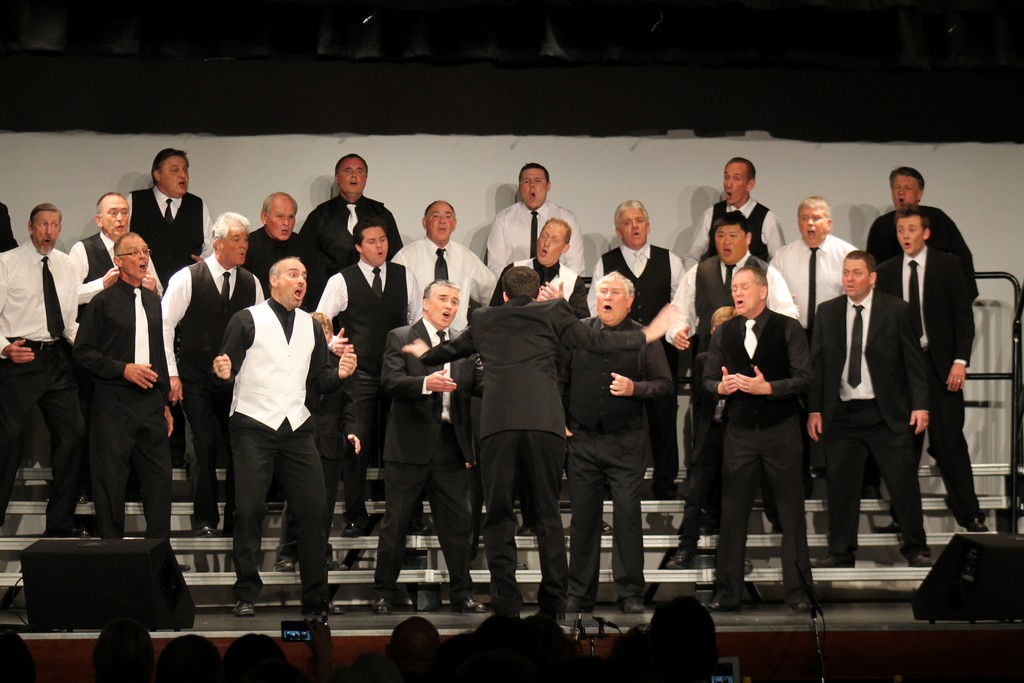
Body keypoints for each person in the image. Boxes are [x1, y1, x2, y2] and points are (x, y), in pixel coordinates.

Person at [405, 265, 675, 618]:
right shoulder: (554, 311)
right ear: (536, 294)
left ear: (504, 294)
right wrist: (647, 334)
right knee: (547, 513)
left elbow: (452, 349)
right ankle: (554, 604)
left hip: (499, 427)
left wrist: (424, 353)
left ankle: (506, 604)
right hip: (544, 426)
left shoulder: (484, 317)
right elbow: (596, 340)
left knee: (500, 514)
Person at [214, 257, 357, 617]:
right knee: (249, 509)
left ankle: (316, 596)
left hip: (296, 425)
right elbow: (227, 368)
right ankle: (246, 593)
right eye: (294, 274)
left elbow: (319, 381)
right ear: (274, 281)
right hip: (253, 423)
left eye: (305, 275)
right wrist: (224, 372)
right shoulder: (246, 319)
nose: (301, 281)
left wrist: (339, 375)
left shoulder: (311, 325)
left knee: (314, 509)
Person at [807, 251, 932, 568]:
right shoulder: (828, 312)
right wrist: (815, 409)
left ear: (872, 277)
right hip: (842, 413)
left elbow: (914, 362)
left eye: (857, 273)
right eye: (846, 273)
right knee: (841, 487)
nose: (849, 279)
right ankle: (841, 552)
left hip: (885, 414)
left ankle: (916, 548)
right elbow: (818, 365)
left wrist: (920, 405)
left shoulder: (897, 310)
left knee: (902, 484)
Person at [372, 280, 487, 615]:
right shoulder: (401, 336)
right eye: (442, 299)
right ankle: (383, 593)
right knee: (396, 523)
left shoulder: (464, 344)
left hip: (450, 446)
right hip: (409, 445)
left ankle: (462, 594)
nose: (449, 306)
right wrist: (425, 383)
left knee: (458, 525)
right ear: (425, 303)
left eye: (454, 301)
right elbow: (390, 380)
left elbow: (480, 385)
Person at [703, 266, 812, 612]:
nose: (737, 293)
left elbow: (804, 378)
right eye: (734, 287)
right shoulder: (724, 332)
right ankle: (727, 593)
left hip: (781, 430)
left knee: (791, 512)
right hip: (739, 432)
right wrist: (721, 387)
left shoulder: (787, 327)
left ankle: (798, 593)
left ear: (763, 291)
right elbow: (708, 379)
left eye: (744, 287)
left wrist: (769, 388)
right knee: (732, 512)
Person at [564, 272, 673, 614]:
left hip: (625, 442)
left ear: (629, 300)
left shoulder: (643, 337)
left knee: (627, 518)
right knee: (583, 520)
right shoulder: (580, 332)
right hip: (583, 441)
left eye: (614, 293)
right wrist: (560, 418)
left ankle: (630, 594)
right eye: (602, 292)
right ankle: (579, 594)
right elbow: (560, 376)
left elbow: (664, 384)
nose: (606, 297)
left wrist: (634, 389)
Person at [875, 206, 987, 532]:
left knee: (950, 441)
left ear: (925, 233)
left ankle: (970, 514)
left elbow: (963, 319)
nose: (905, 236)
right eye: (901, 230)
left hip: (940, 367)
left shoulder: (948, 266)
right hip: (903, 371)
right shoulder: (886, 271)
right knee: (903, 448)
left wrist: (960, 361)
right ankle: (902, 517)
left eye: (912, 229)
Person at [162, 212, 264, 537]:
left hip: (236, 381)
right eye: (237, 239)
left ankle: (236, 521)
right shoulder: (188, 277)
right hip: (195, 377)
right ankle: (206, 519)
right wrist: (172, 374)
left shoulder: (251, 282)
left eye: (246, 239)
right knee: (203, 445)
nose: (244, 245)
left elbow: (260, 332)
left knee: (239, 447)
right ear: (218, 244)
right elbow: (164, 325)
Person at [317, 218, 421, 537]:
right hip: (359, 373)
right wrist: (332, 345)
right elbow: (321, 321)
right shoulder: (341, 280)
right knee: (356, 444)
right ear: (358, 246)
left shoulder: (405, 275)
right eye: (372, 241)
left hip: (396, 371)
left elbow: (417, 320)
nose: (380, 246)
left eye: (383, 240)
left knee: (404, 443)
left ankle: (407, 514)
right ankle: (354, 514)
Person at [74, 232, 173, 539]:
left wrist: (164, 402)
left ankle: (159, 552)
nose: (143, 257)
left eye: (146, 251)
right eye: (135, 253)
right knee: (110, 482)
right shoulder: (102, 302)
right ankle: (111, 554)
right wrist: (123, 369)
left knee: (159, 479)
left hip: (150, 402)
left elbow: (159, 352)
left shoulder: (153, 301)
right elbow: (82, 352)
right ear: (118, 261)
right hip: (113, 401)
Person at [589, 199, 684, 499]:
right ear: (619, 231)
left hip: (661, 351)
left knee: (663, 417)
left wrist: (676, 332)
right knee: (615, 417)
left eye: (639, 220)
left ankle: (665, 484)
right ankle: (610, 483)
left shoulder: (670, 260)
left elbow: (679, 307)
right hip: (617, 353)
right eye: (627, 222)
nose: (635, 226)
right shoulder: (605, 262)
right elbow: (595, 307)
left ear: (648, 225)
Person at [0, 203, 84, 536]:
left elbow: (69, 320)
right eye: (43, 225)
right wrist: (4, 348)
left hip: (57, 357)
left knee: (74, 435)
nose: (49, 232)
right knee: (8, 437)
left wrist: (91, 348)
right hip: (20, 356)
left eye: (54, 225)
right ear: (30, 227)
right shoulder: (7, 263)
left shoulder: (66, 265)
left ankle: (60, 522)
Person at [274, 311, 360, 578]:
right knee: (296, 500)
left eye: (325, 333)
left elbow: (349, 404)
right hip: (301, 440)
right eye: (316, 333)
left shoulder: (340, 365)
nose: (321, 339)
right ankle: (286, 554)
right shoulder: (294, 364)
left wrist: (352, 432)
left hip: (331, 441)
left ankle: (320, 555)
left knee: (326, 504)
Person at [665, 305, 736, 570]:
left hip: (737, 434)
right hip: (710, 433)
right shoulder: (703, 360)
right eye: (716, 330)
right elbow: (700, 403)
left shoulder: (747, 359)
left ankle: (735, 555)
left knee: (733, 497)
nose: (719, 336)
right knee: (695, 495)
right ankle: (687, 548)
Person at [668, 211, 797, 354]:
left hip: (754, 359)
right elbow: (678, 311)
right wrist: (676, 331)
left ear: (748, 238)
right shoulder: (698, 272)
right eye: (721, 236)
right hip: (709, 358)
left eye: (733, 236)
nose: (726, 242)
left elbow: (786, 314)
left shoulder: (766, 273)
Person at [865, 166, 977, 300]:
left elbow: (962, 257)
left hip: (937, 298)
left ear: (919, 195)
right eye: (896, 188)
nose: (901, 193)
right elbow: (870, 268)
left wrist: (963, 298)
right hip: (893, 300)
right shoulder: (881, 226)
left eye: (907, 188)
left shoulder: (937, 219)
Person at [393, 200, 496, 331]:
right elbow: (392, 299)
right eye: (436, 216)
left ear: (454, 224)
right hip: (418, 336)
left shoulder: (467, 258)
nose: (442, 221)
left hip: (457, 337)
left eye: (448, 216)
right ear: (424, 222)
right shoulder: (406, 257)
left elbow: (491, 289)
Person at [300, 153, 404, 276]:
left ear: (366, 178)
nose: (354, 175)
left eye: (360, 171)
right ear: (337, 178)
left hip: (375, 285)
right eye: (348, 171)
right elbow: (303, 257)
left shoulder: (382, 214)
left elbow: (396, 258)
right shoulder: (319, 216)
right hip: (330, 285)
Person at [128, 148, 213, 289]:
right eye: (175, 170)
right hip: (142, 288)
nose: (183, 175)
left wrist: (204, 265)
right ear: (157, 175)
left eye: (185, 170)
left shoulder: (197, 205)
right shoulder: (135, 200)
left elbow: (210, 247)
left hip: (187, 289)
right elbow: (120, 243)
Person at [682, 157, 784, 271]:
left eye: (736, 179)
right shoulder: (710, 215)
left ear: (750, 185)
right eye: (726, 177)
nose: (728, 184)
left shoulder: (767, 219)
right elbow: (691, 258)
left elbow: (780, 263)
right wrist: (697, 279)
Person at [486, 163, 584, 277]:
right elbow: (495, 266)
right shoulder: (503, 220)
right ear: (520, 187)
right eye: (526, 181)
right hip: (514, 286)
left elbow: (575, 266)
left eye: (537, 181)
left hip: (556, 287)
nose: (532, 186)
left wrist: (553, 287)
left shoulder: (567, 219)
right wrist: (518, 285)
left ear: (548, 186)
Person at [71, 193, 162, 313]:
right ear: (99, 220)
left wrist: (154, 290)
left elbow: (159, 292)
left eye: (124, 213)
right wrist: (102, 285)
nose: (120, 218)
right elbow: (70, 295)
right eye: (113, 213)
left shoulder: (140, 248)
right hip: (98, 321)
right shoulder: (83, 249)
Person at [491, 217, 588, 319]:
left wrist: (562, 306)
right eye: (544, 236)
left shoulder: (574, 282)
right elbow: (493, 313)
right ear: (537, 240)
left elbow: (583, 320)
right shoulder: (513, 270)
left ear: (565, 248)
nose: (546, 243)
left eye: (554, 240)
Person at [246, 192, 326, 311]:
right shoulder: (248, 246)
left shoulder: (307, 248)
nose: (286, 223)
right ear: (264, 218)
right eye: (280, 216)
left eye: (291, 217)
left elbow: (317, 290)